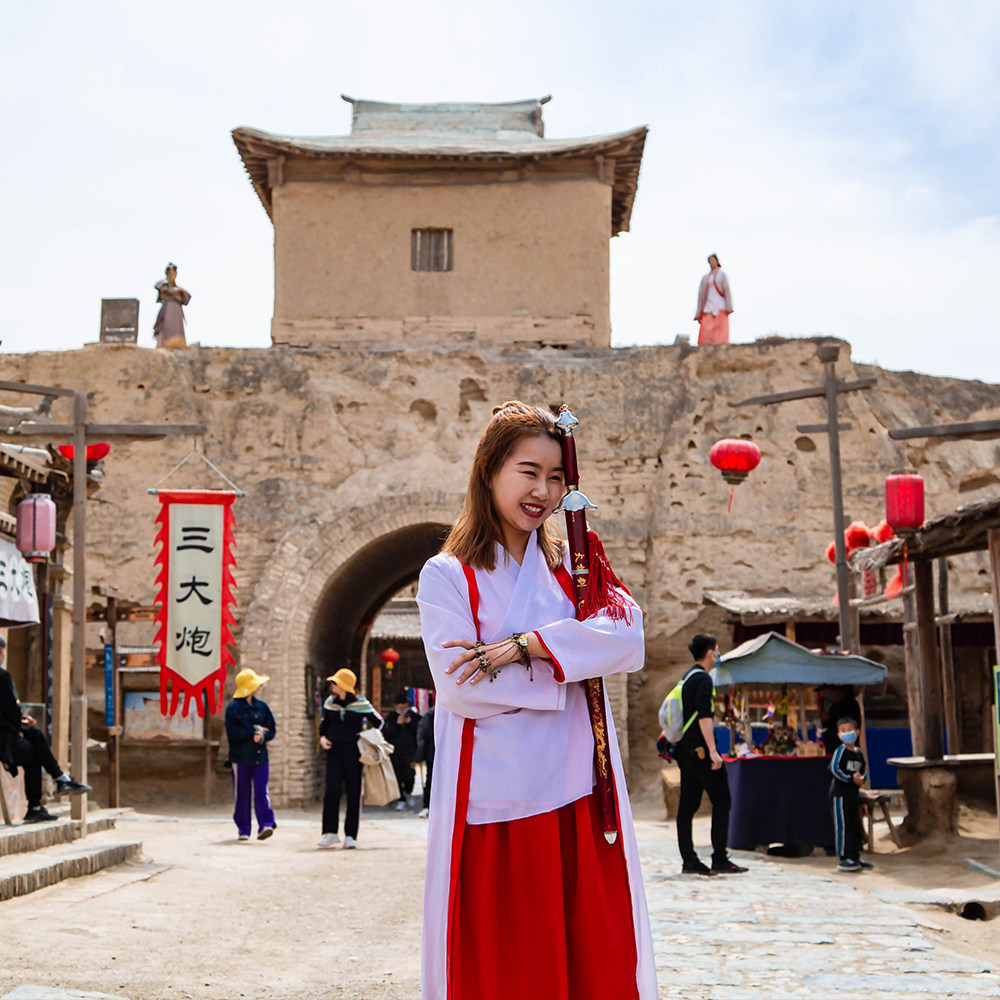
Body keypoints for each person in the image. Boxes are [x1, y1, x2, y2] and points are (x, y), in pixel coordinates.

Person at [416, 400, 656, 1000]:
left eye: (556, 478)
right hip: (495, 793)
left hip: (578, 783)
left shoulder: (575, 567)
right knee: (510, 958)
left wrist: (527, 645)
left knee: (588, 956)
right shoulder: (447, 574)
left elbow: (628, 638)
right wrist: (572, 667)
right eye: (529, 471)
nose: (543, 491)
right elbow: (457, 685)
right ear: (489, 469)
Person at [673, 633, 748, 876]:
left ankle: (689, 860)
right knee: (722, 800)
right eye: (717, 650)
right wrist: (714, 752)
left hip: (685, 749)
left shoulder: (687, 677)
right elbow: (705, 717)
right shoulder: (704, 679)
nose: (718, 654)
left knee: (687, 806)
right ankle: (719, 858)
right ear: (710, 653)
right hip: (701, 751)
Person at [0, 636, 90, 823]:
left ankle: (57, 782)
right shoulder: (2, 676)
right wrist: (21, 721)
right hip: (3, 739)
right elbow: (10, 710)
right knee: (34, 752)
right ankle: (55, 784)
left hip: (5, 732)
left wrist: (21, 721)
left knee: (35, 736)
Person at [317, 668, 382, 849]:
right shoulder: (330, 703)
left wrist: (370, 742)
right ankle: (330, 833)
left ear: (344, 685)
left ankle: (350, 835)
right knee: (331, 791)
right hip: (334, 752)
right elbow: (324, 725)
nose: (332, 685)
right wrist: (322, 738)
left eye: (335, 683)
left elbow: (380, 723)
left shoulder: (361, 704)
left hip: (355, 755)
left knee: (354, 793)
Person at [224, 668, 277, 841]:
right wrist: (253, 731)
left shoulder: (262, 707)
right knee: (242, 794)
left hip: (260, 756)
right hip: (240, 758)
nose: (259, 687)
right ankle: (243, 828)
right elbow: (232, 733)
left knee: (261, 791)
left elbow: (272, 730)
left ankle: (266, 824)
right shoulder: (232, 708)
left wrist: (262, 736)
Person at [830, 716, 870, 873]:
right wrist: (849, 778)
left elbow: (863, 769)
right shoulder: (840, 752)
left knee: (855, 826)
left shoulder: (858, 753)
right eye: (843, 731)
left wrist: (862, 779)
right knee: (843, 826)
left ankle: (855, 855)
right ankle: (843, 857)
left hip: (854, 795)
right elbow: (834, 769)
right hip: (840, 795)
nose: (847, 733)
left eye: (850, 730)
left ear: (857, 732)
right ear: (839, 735)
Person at [383, 691, 420, 811]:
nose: (403, 709)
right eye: (400, 706)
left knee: (410, 775)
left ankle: (408, 792)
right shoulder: (391, 717)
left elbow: (420, 732)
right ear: (395, 706)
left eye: (405, 706)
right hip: (395, 753)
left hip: (411, 752)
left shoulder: (414, 716)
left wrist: (410, 723)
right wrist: (398, 724)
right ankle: (401, 799)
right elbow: (386, 734)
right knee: (397, 776)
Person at [694, 253, 733, 345]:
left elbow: (727, 290)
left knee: (720, 326)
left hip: (720, 304)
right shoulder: (705, 277)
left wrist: (729, 306)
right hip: (708, 304)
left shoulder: (722, 275)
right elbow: (701, 294)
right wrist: (698, 312)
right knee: (707, 326)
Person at [153, 262, 191, 349]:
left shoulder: (178, 288)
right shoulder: (163, 284)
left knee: (177, 328)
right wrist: (176, 291)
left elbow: (186, 299)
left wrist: (179, 291)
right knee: (168, 326)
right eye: (170, 273)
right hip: (168, 308)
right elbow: (161, 287)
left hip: (176, 309)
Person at [822, 685, 862, 754]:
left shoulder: (849, 705)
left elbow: (832, 722)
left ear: (839, 691)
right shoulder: (835, 706)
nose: (831, 694)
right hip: (833, 749)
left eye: (833, 691)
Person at [415, 704, 435, 818]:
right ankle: (427, 805)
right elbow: (423, 733)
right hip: (432, 753)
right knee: (430, 780)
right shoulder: (431, 714)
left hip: (446, 752)